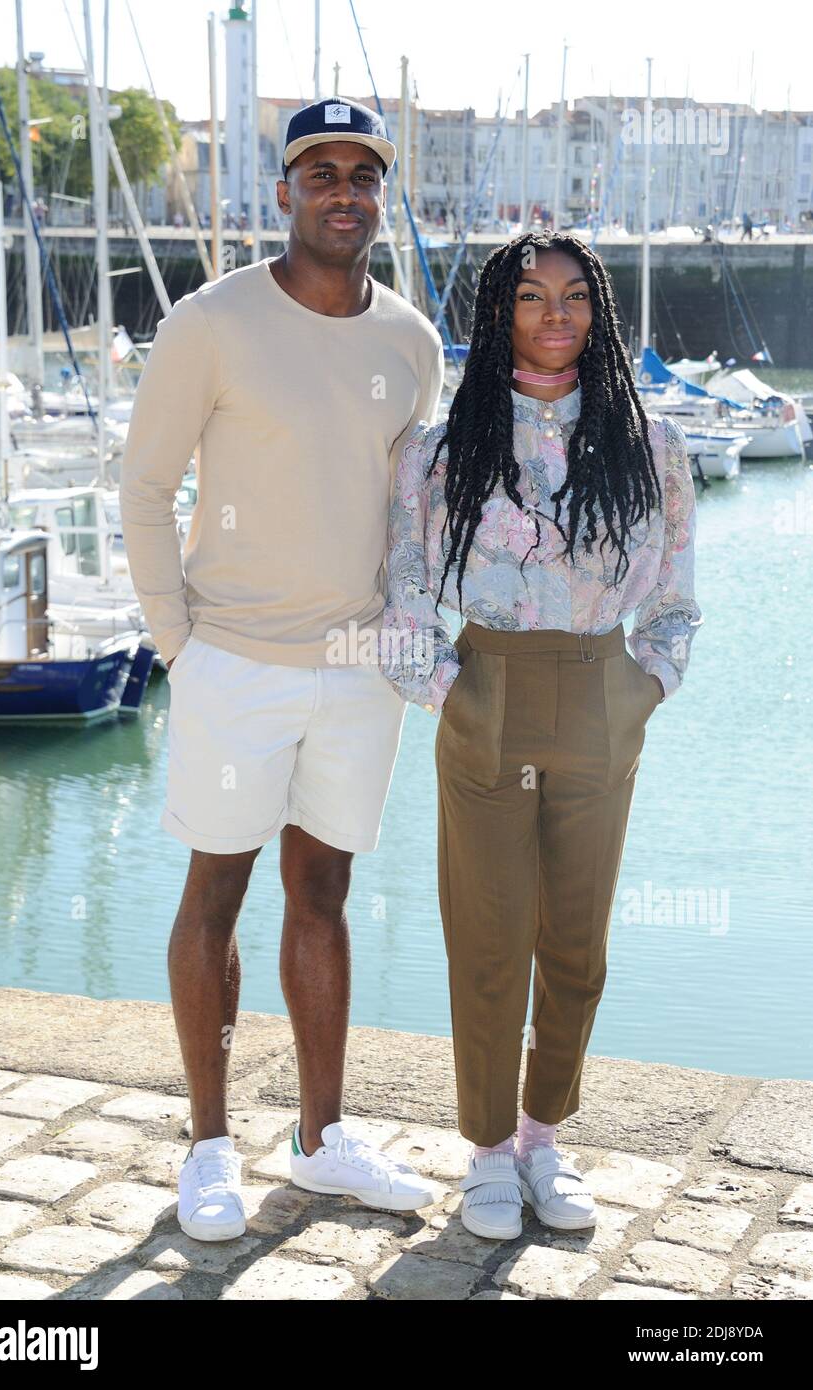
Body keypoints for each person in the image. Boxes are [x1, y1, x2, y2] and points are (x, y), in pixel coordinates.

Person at [119, 96, 446, 1241]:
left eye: (362, 174)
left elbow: (412, 508)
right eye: (321, 172)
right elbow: (144, 484)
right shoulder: (208, 321)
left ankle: (319, 1140)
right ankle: (208, 1145)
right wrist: (175, 641)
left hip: (360, 666)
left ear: (379, 193)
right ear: (286, 191)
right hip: (233, 659)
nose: (343, 191)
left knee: (324, 894)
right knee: (215, 889)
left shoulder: (410, 340)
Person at [380, 231, 703, 1241]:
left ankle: (541, 1137)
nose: (553, 314)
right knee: (486, 940)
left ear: (597, 313)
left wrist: (640, 687)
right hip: (485, 692)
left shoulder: (651, 446)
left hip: (599, 696)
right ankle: (482, 1150)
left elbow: (677, 603)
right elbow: (395, 596)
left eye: (571, 297)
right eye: (529, 296)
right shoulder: (438, 450)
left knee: (575, 942)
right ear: (498, 314)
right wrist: (449, 691)